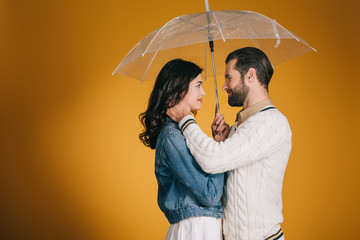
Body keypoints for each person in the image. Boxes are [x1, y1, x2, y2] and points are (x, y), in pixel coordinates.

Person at [167, 47, 292, 240]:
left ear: (250, 75)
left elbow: (212, 160)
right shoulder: (237, 129)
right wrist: (222, 140)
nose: (224, 86)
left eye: (229, 77)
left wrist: (186, 119)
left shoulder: (272, 122)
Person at [139, 59, 226, 240]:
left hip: (202, 227)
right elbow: (209, 195)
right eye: (198, 85)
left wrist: (216, 142)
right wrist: (219, 149)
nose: (203, 92)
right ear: (179, 89)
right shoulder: (171, 137)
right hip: (194, 229)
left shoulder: (181, 133)